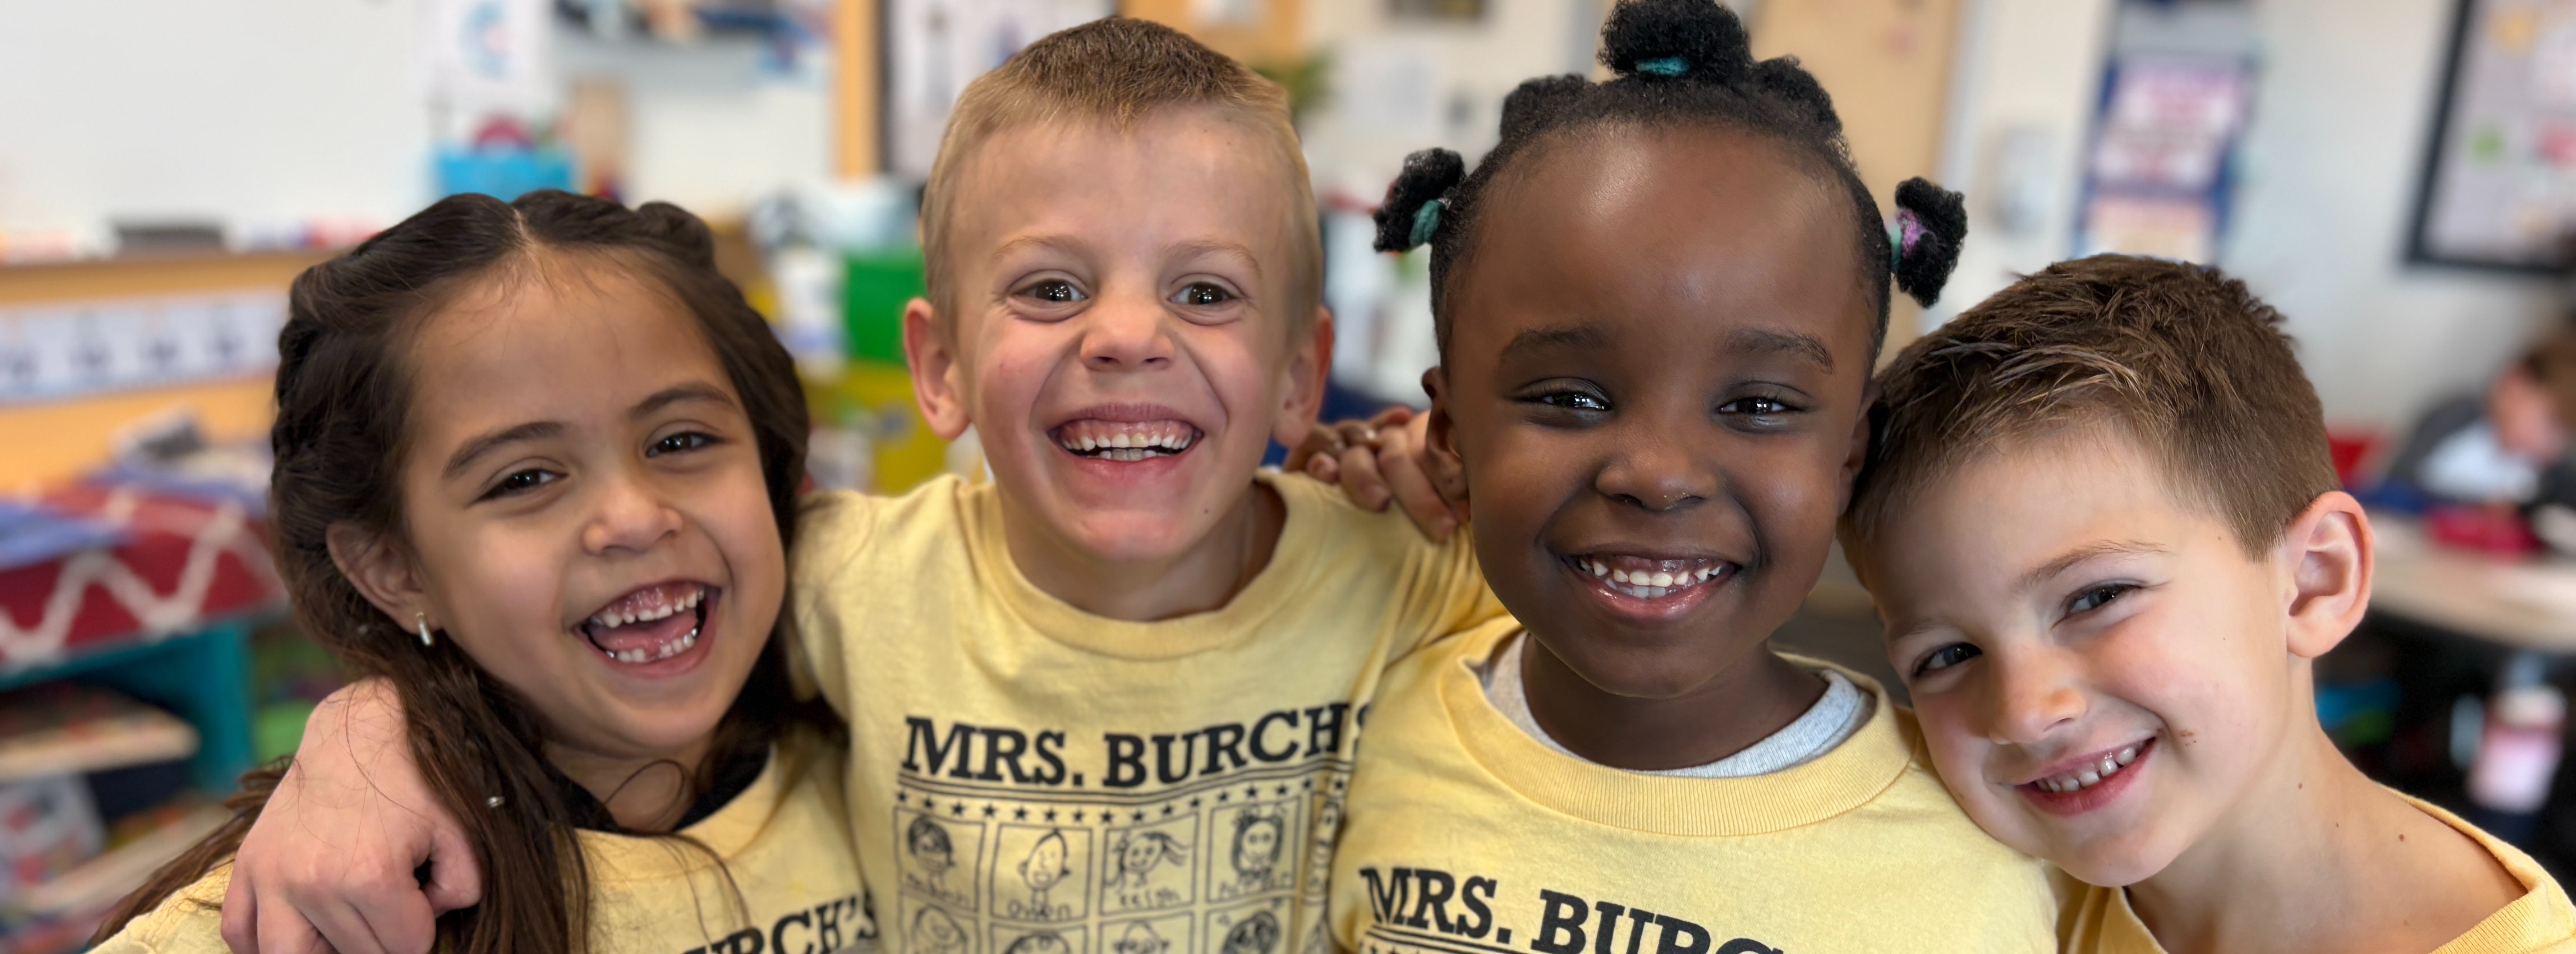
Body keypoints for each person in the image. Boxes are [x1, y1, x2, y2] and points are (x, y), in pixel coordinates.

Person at [217, 18, 1503, 954]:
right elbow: (557, 643)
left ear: (1299, 374)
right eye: (1052, 288)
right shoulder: (841, 578)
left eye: (1206, 292)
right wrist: (363, 739)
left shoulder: (1413, 567)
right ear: (940, 367)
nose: (1127, 336)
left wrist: (1462, 473)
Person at [1323, 0, 2059, 949]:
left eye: (1757, 405)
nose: (1660, 476)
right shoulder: (1363, 721)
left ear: (1848, 453)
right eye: (1573, 398)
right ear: (1451, 439)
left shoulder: (1972, 864)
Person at [91, 191, 862, 954]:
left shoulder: (883, 744)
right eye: (523, 479)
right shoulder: (320, 907)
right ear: (395, 571)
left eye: (680, 441)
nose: (633, 516)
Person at [1840, 255, 2573, 953]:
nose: (2024, 712)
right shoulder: (1977, 904)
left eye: (2097, 597)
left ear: (2316, 579)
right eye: (1946, 655)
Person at [2383, 326, 2576, 510]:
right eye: (2552, 425)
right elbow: (2396, 484)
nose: (2554, 447)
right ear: (2515, 385)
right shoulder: (2456, 416)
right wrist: (2474, 506)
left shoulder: (2547, 469)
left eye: (2568, 435)